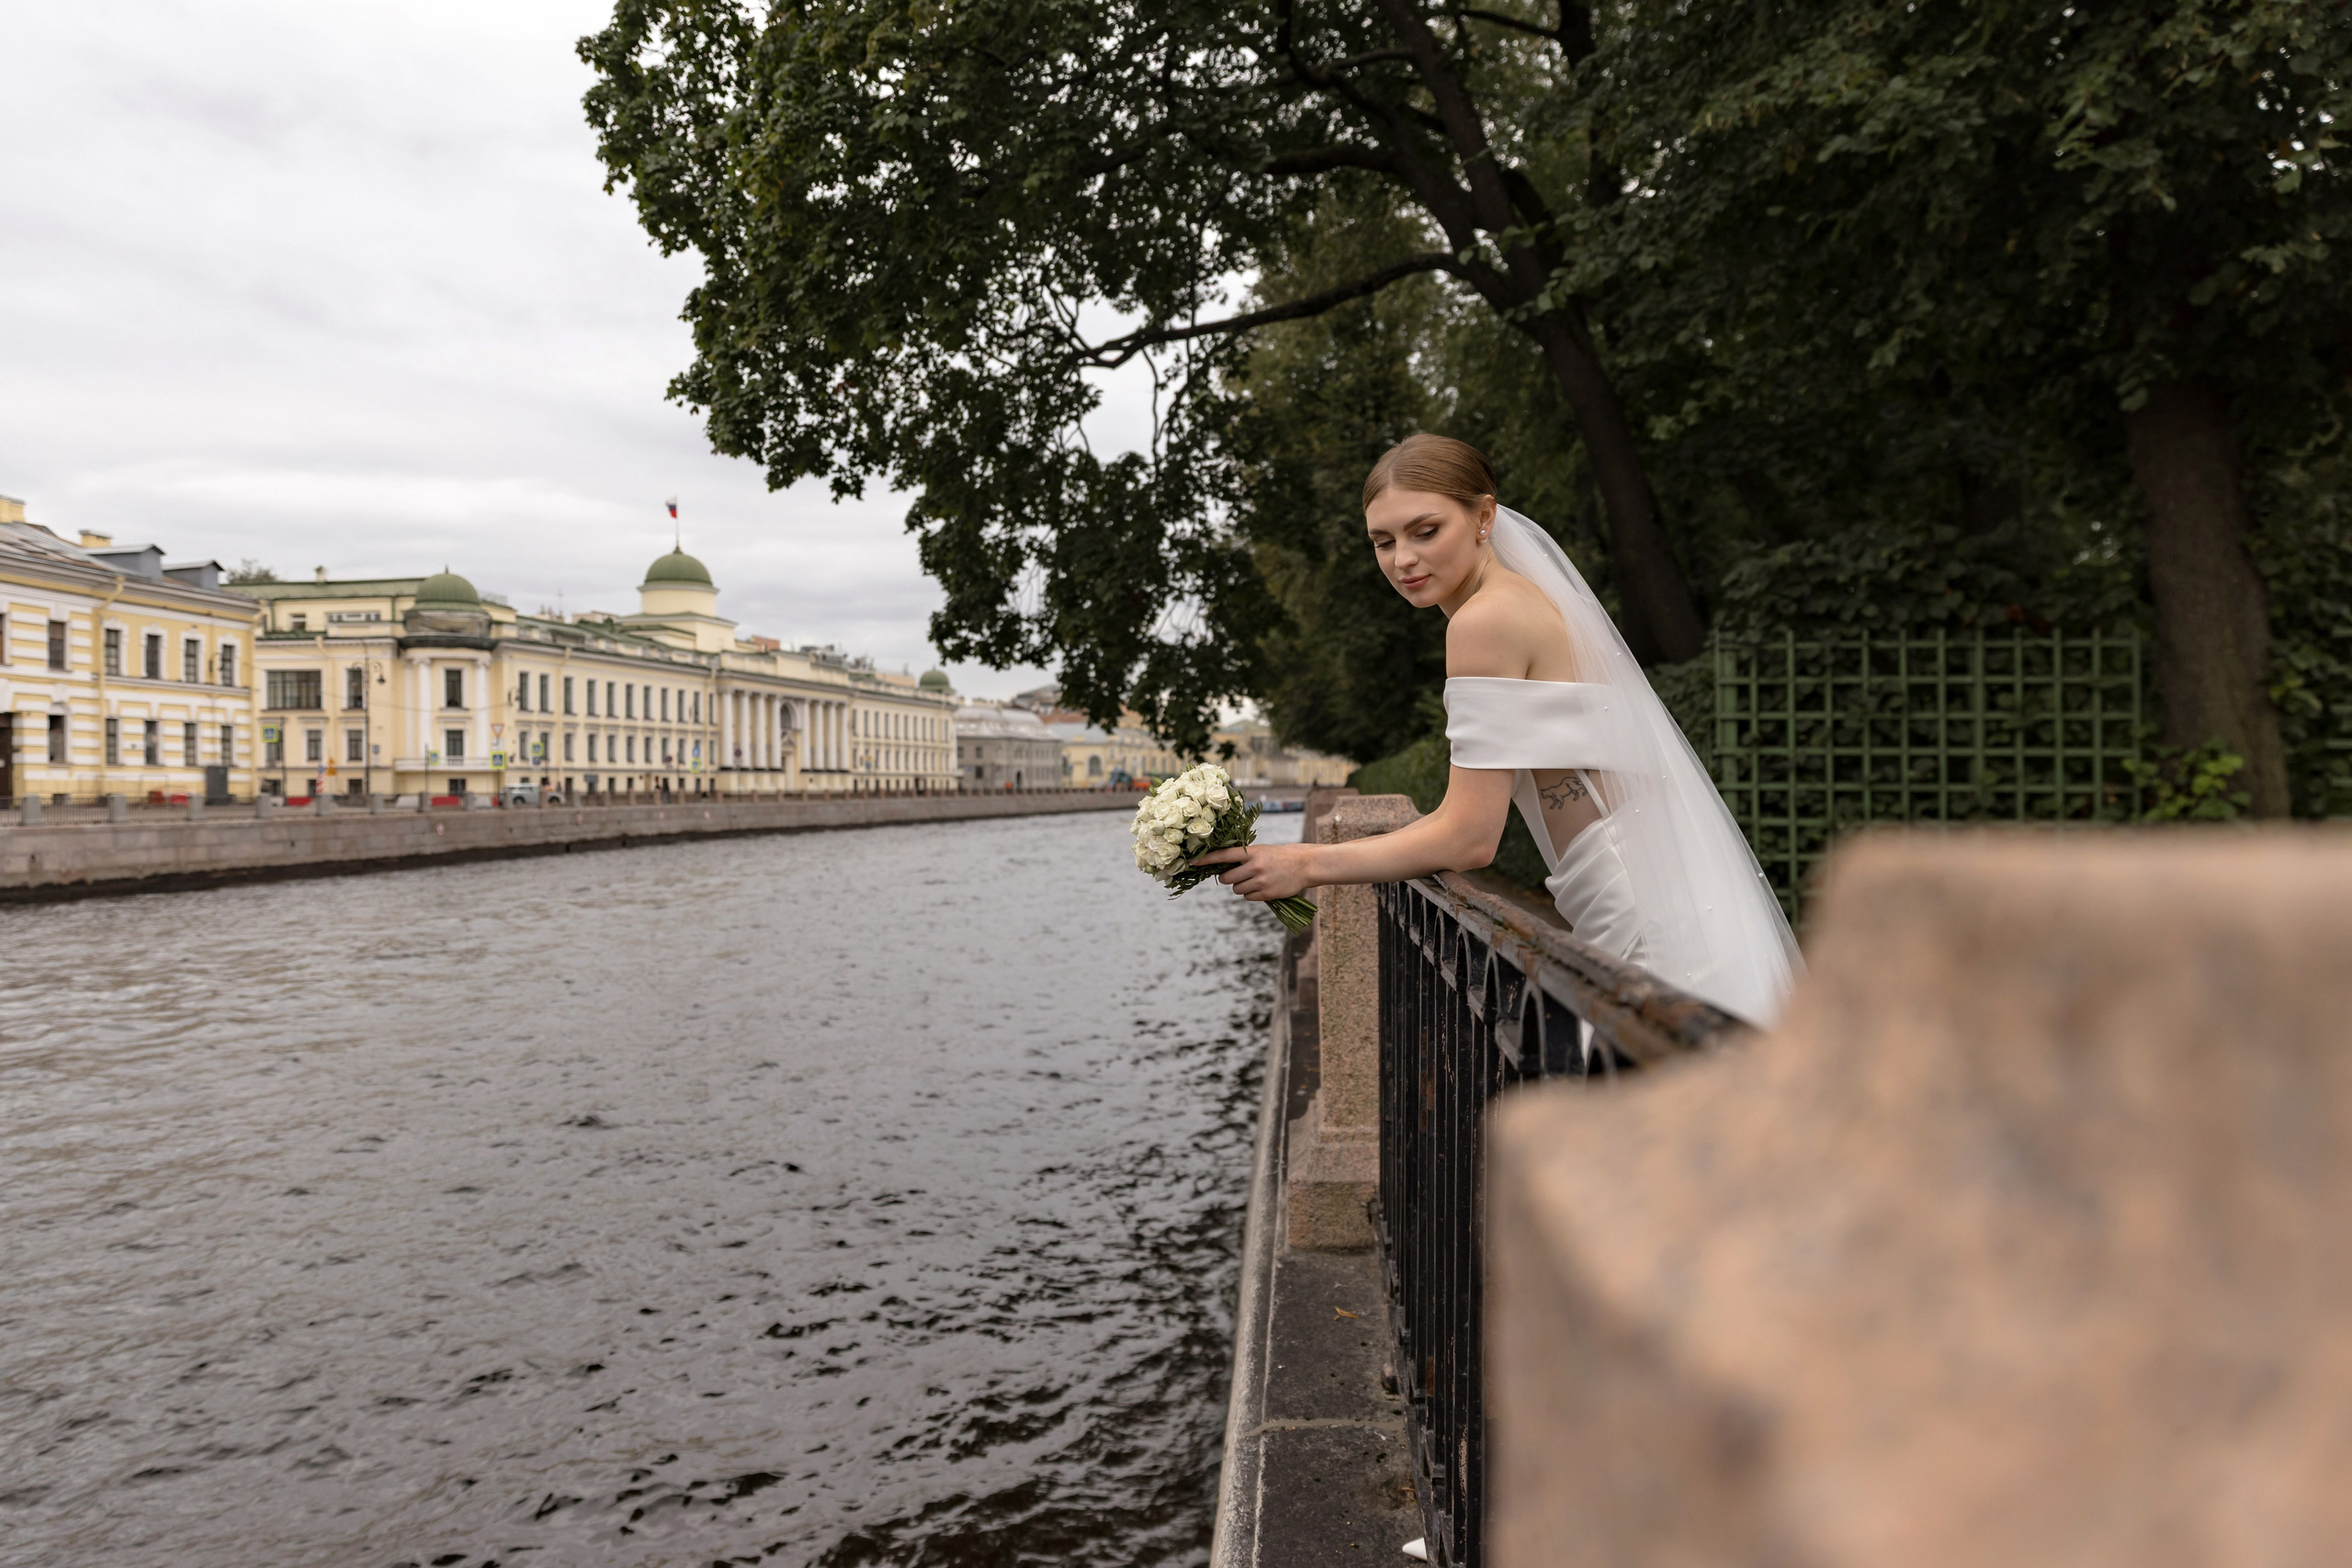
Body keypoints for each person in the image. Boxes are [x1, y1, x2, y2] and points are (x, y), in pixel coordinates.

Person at [1194, 434, 1799, 1027]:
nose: (1403, 559)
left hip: (1638, 910)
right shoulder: (1529, 601)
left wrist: (1305, 863)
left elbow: (1470, 837)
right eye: (1383, 541)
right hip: (1664, 890)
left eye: (1426, 531)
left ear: (1484, 516)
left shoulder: (1484, 621)